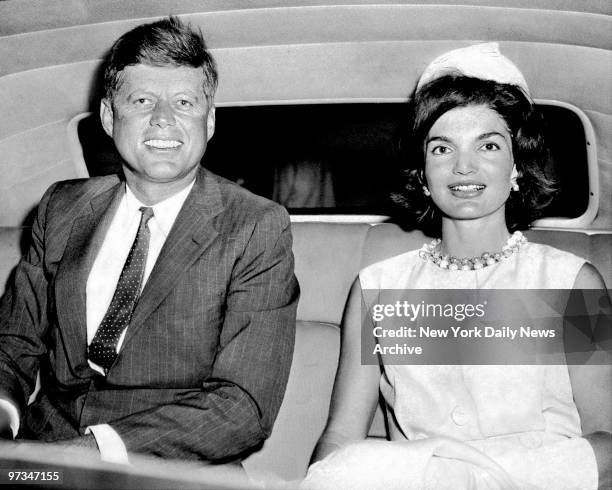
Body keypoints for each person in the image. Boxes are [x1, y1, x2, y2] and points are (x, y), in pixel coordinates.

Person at [305, 44, 611, 489]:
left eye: (488, 145)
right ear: (422, 175)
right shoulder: (378, 290)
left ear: (516, 166)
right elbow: (341, 438)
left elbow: (605, 441)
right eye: (442, 148)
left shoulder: (574, 283)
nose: (464, 166)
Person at [0, 17, 298, 464]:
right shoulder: (62, 207)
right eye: (142, 100)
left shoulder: (256, 226)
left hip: (170, 467)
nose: (163, 119)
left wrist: (90, 452)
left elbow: (244, 406)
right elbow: (13, 343)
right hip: (43, 452)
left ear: (209, 121)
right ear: (108, 116)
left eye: (184, 102)